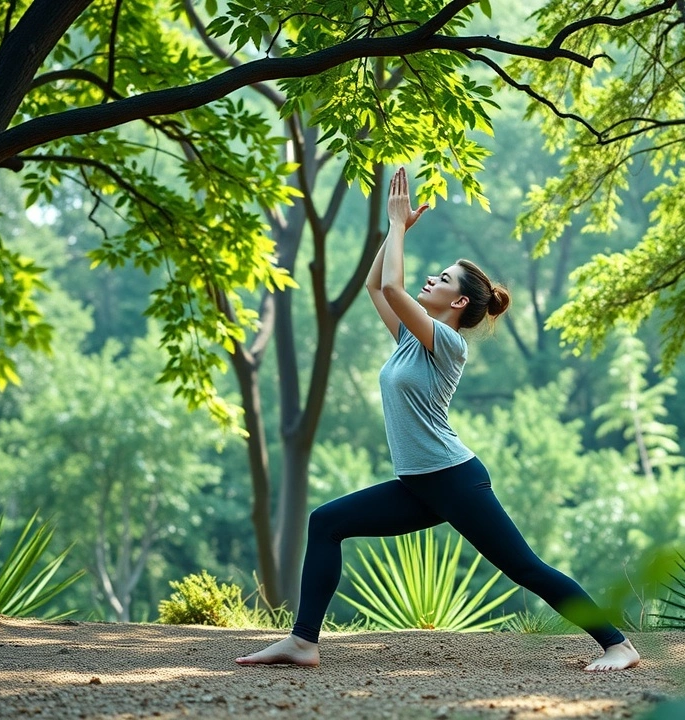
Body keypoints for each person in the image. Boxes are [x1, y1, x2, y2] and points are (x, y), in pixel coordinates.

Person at [235, 167, 640, 673]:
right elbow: (374, 285)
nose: (432, 279)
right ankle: (303, 642)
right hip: (418, 484)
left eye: (443, 279)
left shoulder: (446, 343)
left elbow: (392, 283)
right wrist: (394, 231)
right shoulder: (411, 339)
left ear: (460, 302)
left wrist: (399, 226)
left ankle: (618, 644)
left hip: (453, 479)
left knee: (524, 568)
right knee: (327, 523)